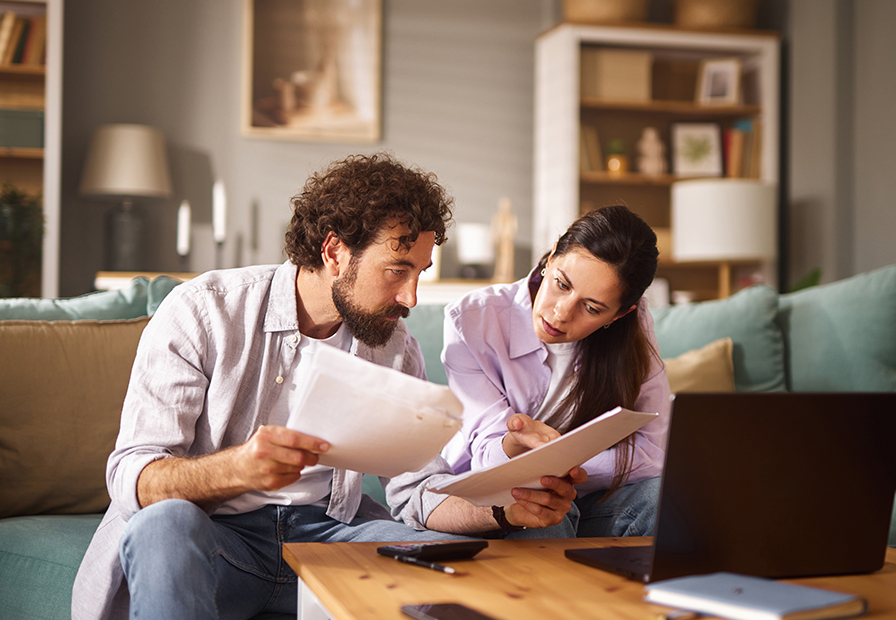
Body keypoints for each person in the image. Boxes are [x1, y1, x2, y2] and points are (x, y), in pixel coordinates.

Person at [72, 153, 583, 620]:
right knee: (163, 527)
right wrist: (238, 468)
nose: (410, 296)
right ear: (335, 250)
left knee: (447, 569)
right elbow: (134, 475)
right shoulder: (203, 311)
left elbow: (416, 493)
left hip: (331, 539)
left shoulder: (394, 345)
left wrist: (507, 510)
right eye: (397, 270)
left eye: (421, 272)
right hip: (217, 539)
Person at [441, 205, 671, 538]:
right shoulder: (473, 319)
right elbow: (488, 458)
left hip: (586, 495)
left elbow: (653, 451)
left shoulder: (633, 328)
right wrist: (524, 451)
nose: (561, 313)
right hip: (493, 501)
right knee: (543, 510)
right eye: (562, 284)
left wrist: (561, 467)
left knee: (664, 500)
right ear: (550, 259)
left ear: (619, 315)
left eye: (591, 308)